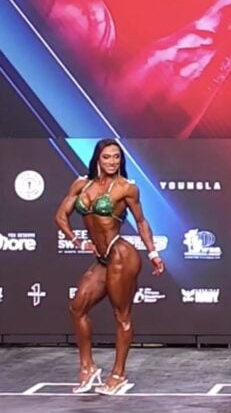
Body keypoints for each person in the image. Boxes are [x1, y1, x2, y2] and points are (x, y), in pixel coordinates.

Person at [54, 138, 165, 395]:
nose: (112, 161)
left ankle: (119, 374)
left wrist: (153, 252)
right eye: (107, 157)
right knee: (77, 307)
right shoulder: (81, 185)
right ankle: (88, 368)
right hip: (103, 259)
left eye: (117, 157)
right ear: (97, 159)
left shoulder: (126, 188)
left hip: (122, 256)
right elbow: (60, 216)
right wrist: (77, 241)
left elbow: (141, 222)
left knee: (122, 317)